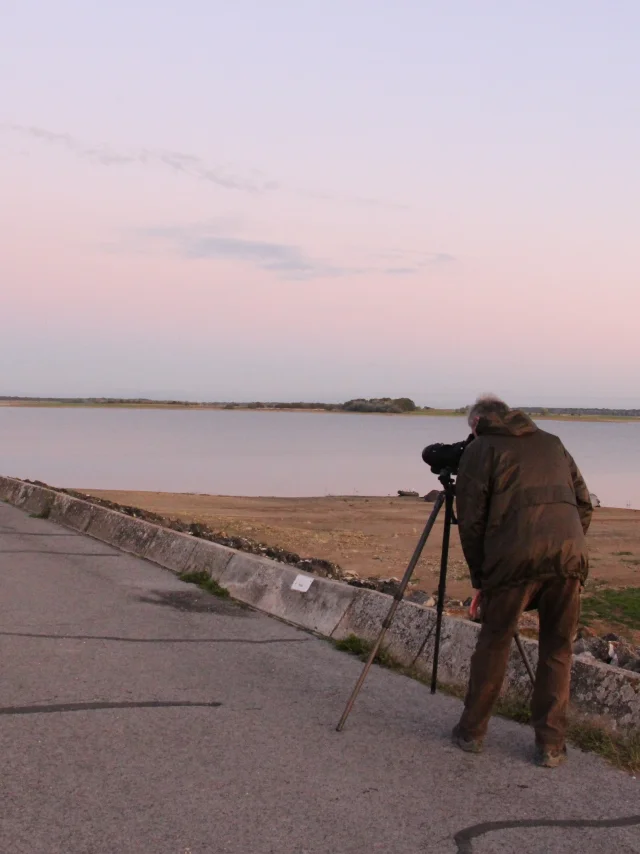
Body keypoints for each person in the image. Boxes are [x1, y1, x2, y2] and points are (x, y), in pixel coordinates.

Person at [452, 395, 592, 768]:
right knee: (558, 650)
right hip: (569, 558)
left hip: (512, 561)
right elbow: (584, 504)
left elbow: (471, 520)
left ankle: (472, 733)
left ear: (478, 423)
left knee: (494, 643)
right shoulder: (552, 442)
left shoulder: (483, 448)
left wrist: (481, 577)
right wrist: (566, 543)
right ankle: (551, 746)